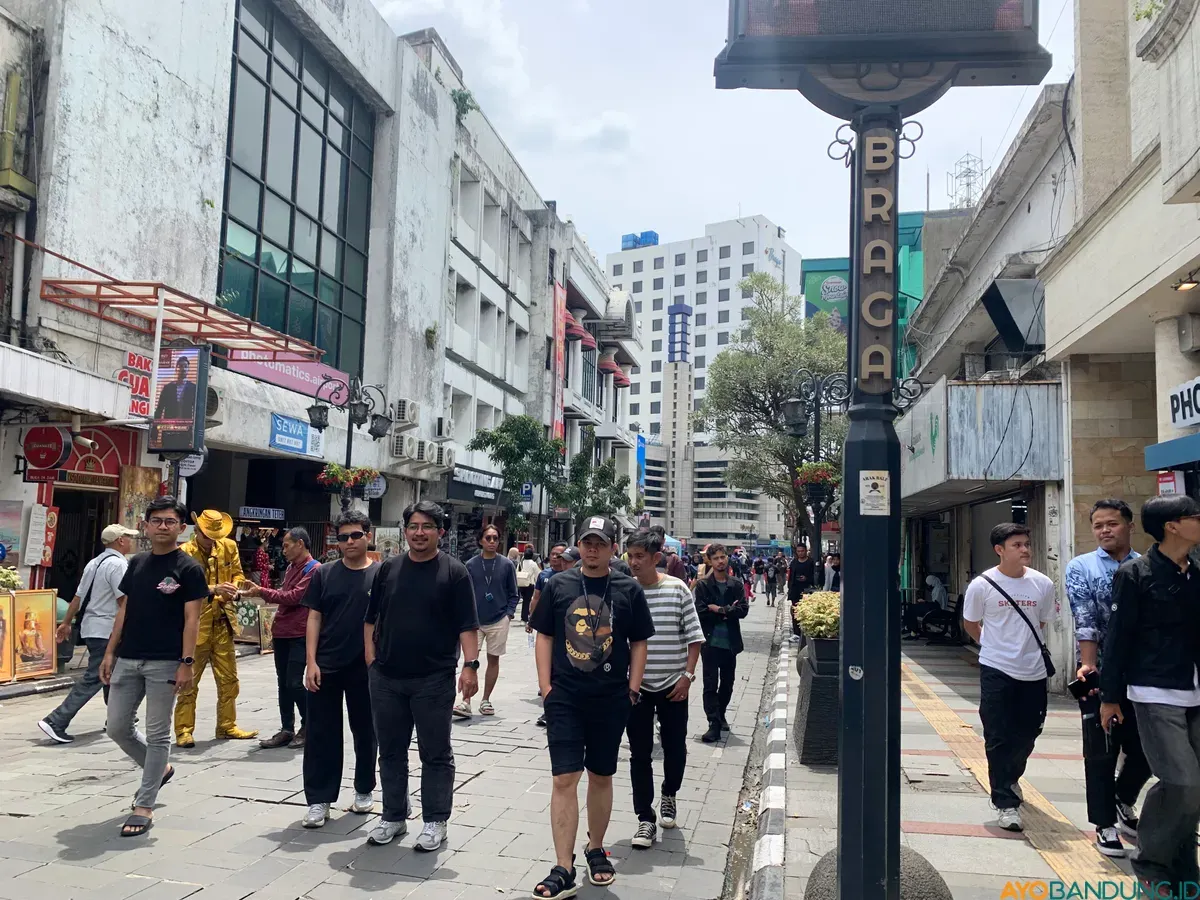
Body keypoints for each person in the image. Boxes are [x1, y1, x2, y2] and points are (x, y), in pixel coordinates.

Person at [529, 515, 654, 897]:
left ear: (612, 546)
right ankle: (562, 866)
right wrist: (546, 687)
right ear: (579, 545)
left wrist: (632, 690)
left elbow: (638, 642)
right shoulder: (558, 585)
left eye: (600, 542)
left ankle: (595, 847)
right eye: (587, 542)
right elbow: (545, 635)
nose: (593, 548)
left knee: (601, 775)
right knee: (564, 778)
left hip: (611, 696)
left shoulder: (628, 589)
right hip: (565, 696)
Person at [365, 501, 480, 850]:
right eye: (414, 526)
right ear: (406, 530)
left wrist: (471, 668)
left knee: (435, 753)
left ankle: (435, 821)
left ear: (440, 532)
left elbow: (467, 625)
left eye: (427, 526)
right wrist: (371, 662)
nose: (419, 532)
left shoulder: (455, 572)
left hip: (434, 678)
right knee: (391, 751)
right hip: (387, 677)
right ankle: (393, 816)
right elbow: (371, 619)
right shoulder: (388, 569)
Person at [1101, 495, 1200, 893]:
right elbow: (1118, 638)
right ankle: (1151, 863)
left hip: (1194, 688)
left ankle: (1182, 867)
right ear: (1172, 526)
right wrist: (1109, 697)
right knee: (1182, 783)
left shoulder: (1196, 571)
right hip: (1154, 690)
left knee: (1194, 786)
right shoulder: (1135, 574)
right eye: (1195, 516)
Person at [100, 496, 206, 837]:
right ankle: (159, 769)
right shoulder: (136, 563)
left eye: (169, 521)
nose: (163, 526)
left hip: (165, 662)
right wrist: (109, 653)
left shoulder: (189, 568)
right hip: (128, 657)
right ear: (145, 526)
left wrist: (186, 663)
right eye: (156, 520)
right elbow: (124, 610)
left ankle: (144, 803)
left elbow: (193, 620)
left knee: (159, 733)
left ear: (181, 528)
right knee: (116, 726)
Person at [1064, 499, 1150, 858]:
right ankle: (1105, 825)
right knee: (1100, 752)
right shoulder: (1080, 567)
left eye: (1111, 524)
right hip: (1099, 672)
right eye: (1098, 525)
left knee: (1147, 748)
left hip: (1145, 674)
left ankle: (1122, 798)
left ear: (1130, 525)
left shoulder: (1147, 566)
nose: (1104, 531)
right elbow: (1084, 618)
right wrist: (1088, 665)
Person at [962, 523, 1055, 833]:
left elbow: (1042, 623)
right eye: (1017, 545)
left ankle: (1011, 777)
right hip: (996, 669)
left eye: (1026, 544)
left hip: (1034, 671)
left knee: (1027, 734)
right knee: (998, 735)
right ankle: (1005, 802)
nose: (1025, 549)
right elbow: (971, 624)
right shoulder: (983, 584)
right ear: (999, 550)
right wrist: (992, 647)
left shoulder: (1042, 584)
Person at [624, 529, 704, 849]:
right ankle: (645, 818)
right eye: (629, 555)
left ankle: (669, 793)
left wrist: (687, 676)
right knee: (639, 753)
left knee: (674, 746)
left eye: (639, 556)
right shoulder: (626, 591)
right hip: (636, 688)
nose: (633, 562)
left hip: (673, 685)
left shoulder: (677, 589)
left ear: (657, 558)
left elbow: (694, 638)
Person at [299, 510, 379, 828]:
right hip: (326, 666)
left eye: (355, 535)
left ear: (367, 536)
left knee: (366, 732)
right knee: (321, 734)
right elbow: (314, 618)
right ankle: (319, 800)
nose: (349, 542)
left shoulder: (381, 575)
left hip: (367, 668)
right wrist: (311, 661)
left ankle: (363, 789)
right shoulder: (324, 573)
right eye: (343, 537)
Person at [39, 524, 139, 743]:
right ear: (120, 541)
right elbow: (124, 601)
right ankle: (56, 720)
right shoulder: (118, 565)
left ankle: (118, 718)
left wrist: (66, 622)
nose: (131, 542)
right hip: (107, 628)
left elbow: (77, 597)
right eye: (128, 538)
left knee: (112, 675)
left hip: (93, 627)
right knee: (97, 675)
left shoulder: (94, 563)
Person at [174, 509, 257, 747]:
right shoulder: (184, 554)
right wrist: (214, 589)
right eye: (208, 534)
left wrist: (237, 587)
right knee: (189, 679)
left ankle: (227, 725)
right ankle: (184, 729)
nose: (212, 539)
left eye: (215, 535)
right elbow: (181, 588)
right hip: (196, 624)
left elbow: (239, 573)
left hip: (223, 621)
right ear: (197, 530)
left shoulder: (229, 547)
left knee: (229, 679)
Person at [244, 527, 319, 750]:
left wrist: (262, 592)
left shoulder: (313, 569)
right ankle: (287, 728)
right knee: (282, 683)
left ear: (301, 544)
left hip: (299, 632)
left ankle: (309, 725)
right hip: (282, 632)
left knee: (294, 682)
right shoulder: (290, 568)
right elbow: (285, 595)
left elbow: (294, 597)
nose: (283, 550)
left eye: (286, 545)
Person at [454, 524, 519, 718]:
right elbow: (464, 593)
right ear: (481, 540)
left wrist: (508, 615)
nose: (492, 542)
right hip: (475, 621)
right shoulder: (471, 565)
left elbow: (513, 593)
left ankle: (486, 699)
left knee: (493, 659)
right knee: (470, 660)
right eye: (488, 538)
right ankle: (465, 702)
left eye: (495, 538)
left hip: (499, 618)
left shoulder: (506, 564)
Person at [694, 543, 750, 743]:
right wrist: (727, 611)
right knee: (710, 684)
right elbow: (700, 612)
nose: (720, 561)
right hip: (709, 643)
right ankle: (713, 723)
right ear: (709, 560)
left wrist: (718, 610)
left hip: (730, 643)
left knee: (728, 683)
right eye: (716, 558)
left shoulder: (735, 584)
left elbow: (743, 609)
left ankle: (722, 713)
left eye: (723, 557)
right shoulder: (702, 585)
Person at [153, 354, 197, 421]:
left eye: (185, 366)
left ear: (188, 369)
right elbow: (160, 409)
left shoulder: (193, 388)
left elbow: (196, 409)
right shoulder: (167, 388)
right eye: (181, 366)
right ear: (176, 369)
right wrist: (155, 428)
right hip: (168, 426)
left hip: (186, 427)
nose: (183, 369)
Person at [517, 546, 542, 623]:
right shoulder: (533, 564)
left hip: (521, 583)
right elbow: (538, 574)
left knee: (525, 600)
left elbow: (517, 571)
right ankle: (525, 616)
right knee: (527, 600)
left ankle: (524, 615)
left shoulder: (521, 562)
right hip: (530, 584)